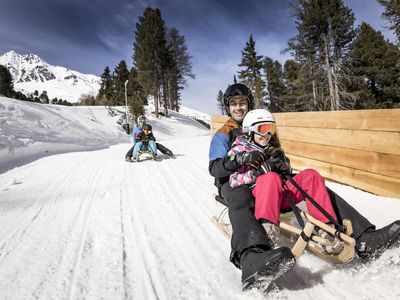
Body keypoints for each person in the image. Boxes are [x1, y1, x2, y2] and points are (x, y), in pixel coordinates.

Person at [208, 82, 400, 290]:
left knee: (309, 182)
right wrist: (239, 161)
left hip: (269, 180)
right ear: (228, 107)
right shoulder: (224, 133)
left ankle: (364, 238)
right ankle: (252, 258)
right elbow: (215, 168)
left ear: (249, 104)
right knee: (240, 198)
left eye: (242, 103)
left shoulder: (264, 124)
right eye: (233, 104)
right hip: (234, 180)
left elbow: (279, 158)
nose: (238, 108)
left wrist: (281, 163)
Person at [228, 109, 342, 254]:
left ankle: (326, 227)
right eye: (262, 129)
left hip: (281, 196)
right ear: (249, 130)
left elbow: (286, 173)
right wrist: (256, 174)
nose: (267, 135)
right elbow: (233, 181)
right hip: (260, 199)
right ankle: (267, 230)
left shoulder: (272, 148)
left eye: (271, 129)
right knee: (270, 178)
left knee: (311, 175)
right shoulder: (240, 149)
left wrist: (285, 166)